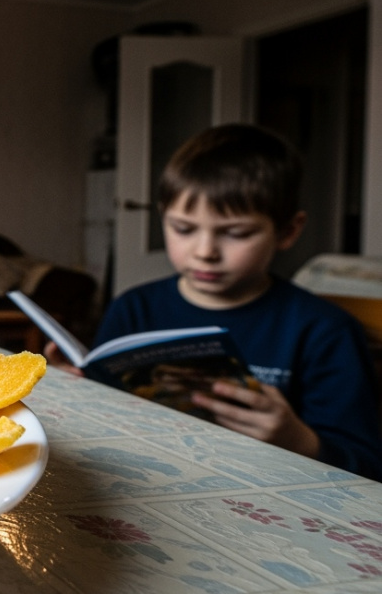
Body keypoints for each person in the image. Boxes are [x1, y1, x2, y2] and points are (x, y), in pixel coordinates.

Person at [46, 124, 382, 480]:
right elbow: (107, 419)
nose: (205, 252)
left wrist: (299, 440)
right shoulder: (134, 307)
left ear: (288, 231)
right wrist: (76, 390)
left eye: (236, 233)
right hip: (152, 478)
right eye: (183, 229)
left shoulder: (324, 330)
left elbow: (368, 467)